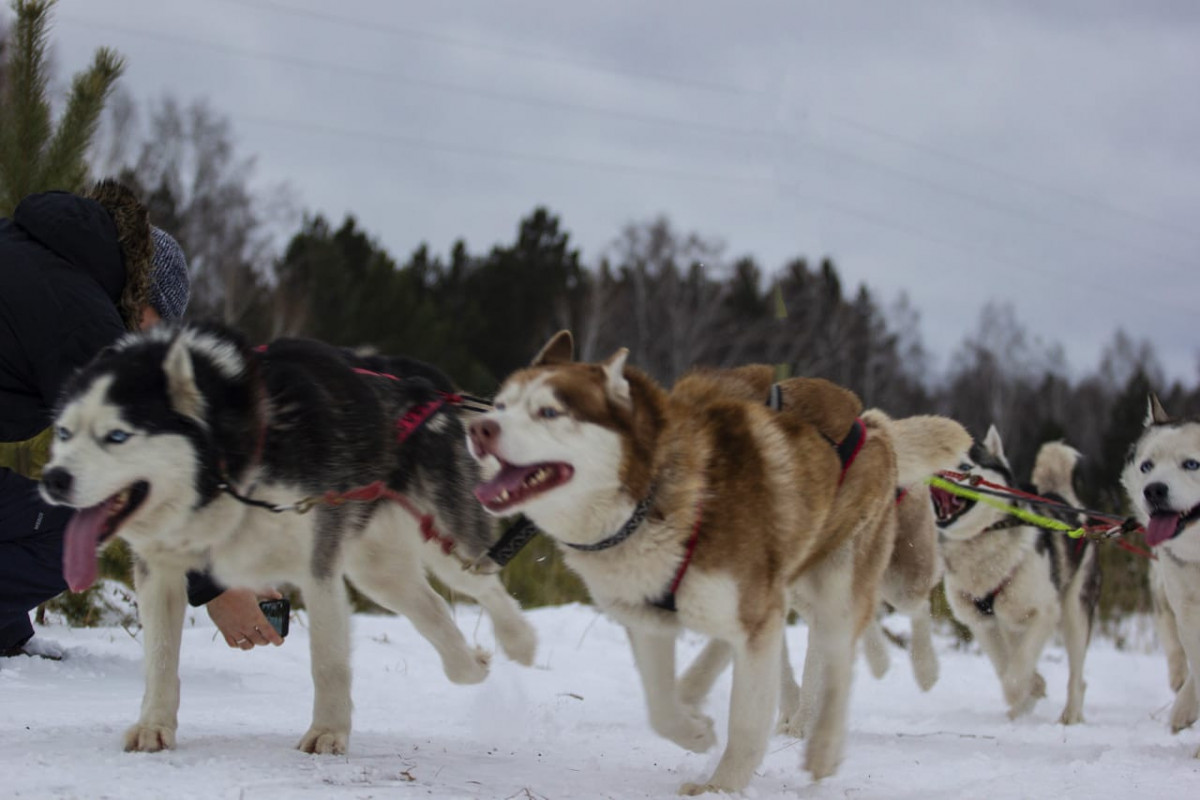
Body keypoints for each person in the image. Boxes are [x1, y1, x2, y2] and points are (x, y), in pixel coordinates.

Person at [0, 179, 282, 659]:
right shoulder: (76, 309)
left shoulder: (31, 254)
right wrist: (216, 584)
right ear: (141, 295)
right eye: (156, 325)